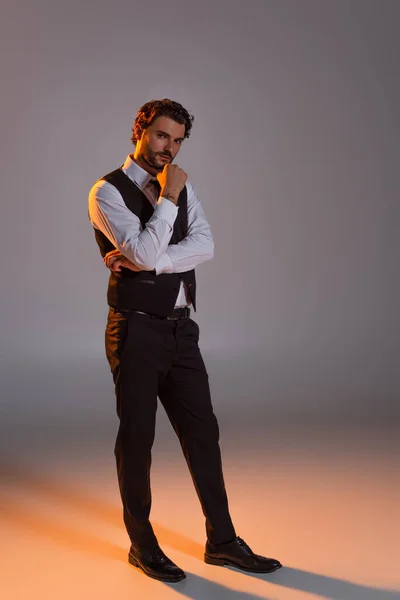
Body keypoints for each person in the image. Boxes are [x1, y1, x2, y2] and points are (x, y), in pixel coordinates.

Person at [88, 99, 282, 583]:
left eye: (176, 141)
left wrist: (147, 259)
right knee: (137, 440)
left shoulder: (178, 183)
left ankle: (222, 541)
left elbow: (205, 244)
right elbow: (151, 249)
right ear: (140, 131)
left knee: (203, 435)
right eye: (160, 137)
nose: (168, 149)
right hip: (134, 329)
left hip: (180, 329)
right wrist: (168, 205)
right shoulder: (106, 192)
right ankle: (142, 545)